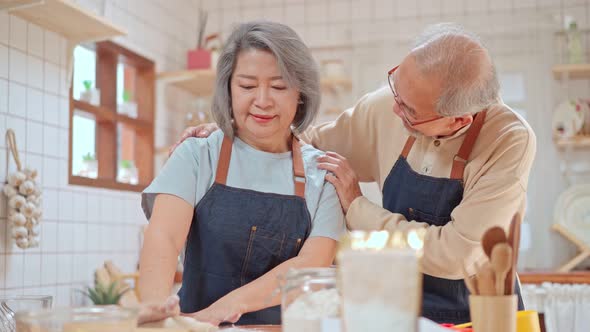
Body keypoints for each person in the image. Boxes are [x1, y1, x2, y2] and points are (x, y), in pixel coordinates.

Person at [171, 23, 537, 324]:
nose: (394, 109)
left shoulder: (509, 141)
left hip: (478, 313)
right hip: (398, 307)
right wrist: (227, 134)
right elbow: (302, 144)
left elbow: (456, 253)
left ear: (458, 120)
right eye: (395, 84)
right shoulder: (387, 105)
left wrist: (358, 207)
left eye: (409, 111)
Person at [139, 21, 346, 326]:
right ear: (229, 89)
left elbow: (311, 263)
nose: (262, 100)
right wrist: (155, 317)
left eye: (278, 86)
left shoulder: (322, 175)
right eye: (247, 86)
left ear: (300, 93)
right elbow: (164, 237)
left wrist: (215, 314)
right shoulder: (196, 155)